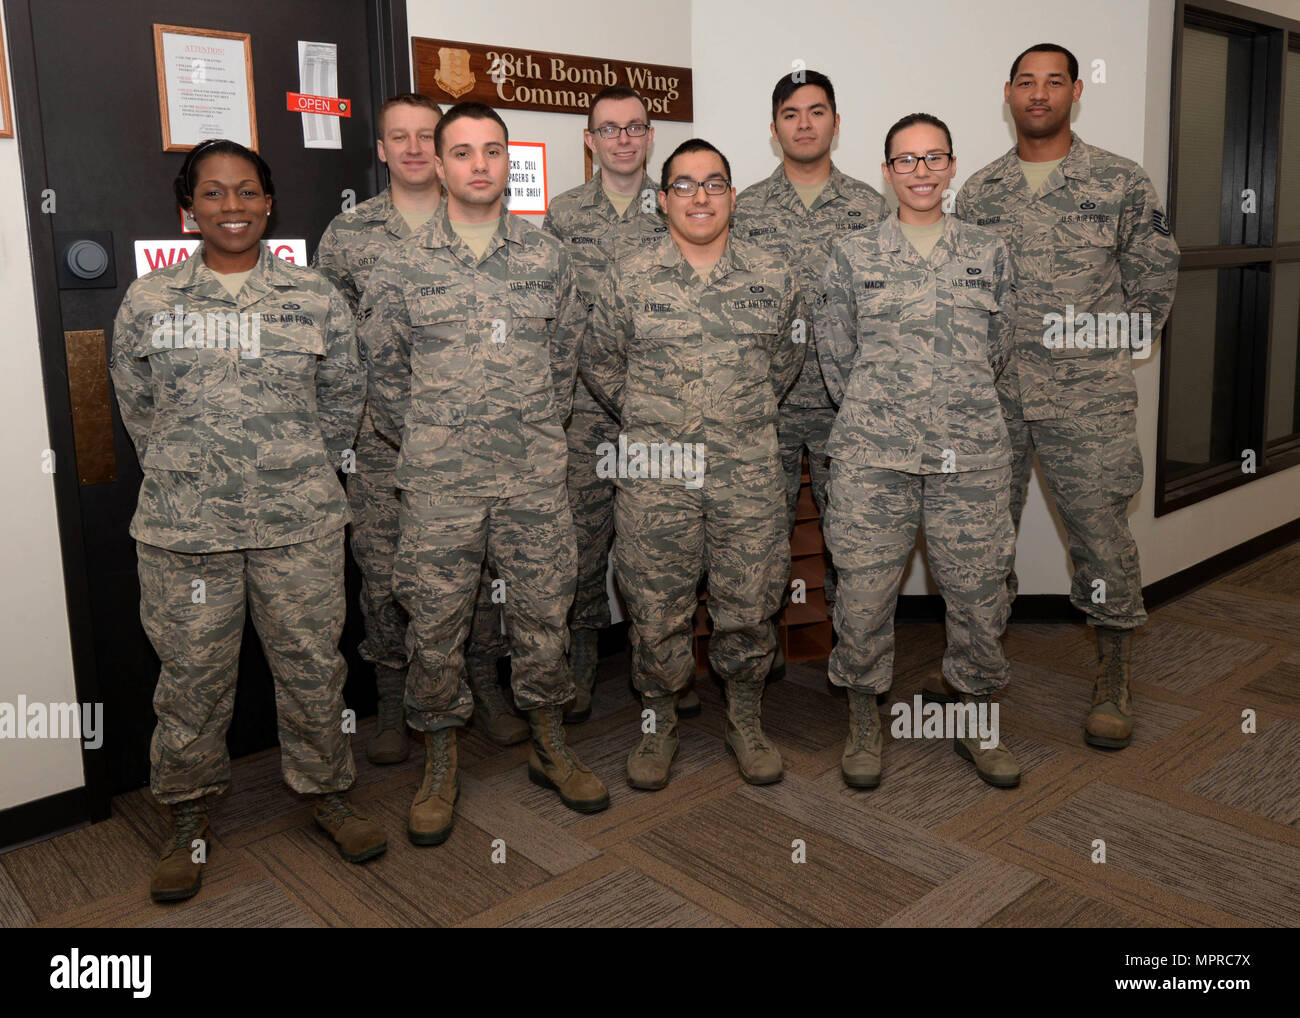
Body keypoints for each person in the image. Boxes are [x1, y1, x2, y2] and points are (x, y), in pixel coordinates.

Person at [110, 139, 383, 903]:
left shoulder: (315, 296)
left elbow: (342, 402)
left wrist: (294, 465)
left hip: (298, 523)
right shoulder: (150, 302)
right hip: (185, 532)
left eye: (247, 192)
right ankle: (187, 817)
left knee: (311, 666)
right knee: (192, 681)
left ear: (269, 203)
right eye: (212, 194)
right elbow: (138, 410)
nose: (231, 206)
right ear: (187, 209)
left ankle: (328, 791)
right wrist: (191, 468)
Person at [360, 102, 605, 846]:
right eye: (461, 152)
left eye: (492, 151)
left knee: (542, 612)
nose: (478, 164)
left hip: (532, 474)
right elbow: (385, 377)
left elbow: (564, 365)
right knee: (434, 624)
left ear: (508, 162)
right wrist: (438, 439)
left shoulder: (547, 257)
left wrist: (524, 430)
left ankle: (549, 743)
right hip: (438, 483)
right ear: (437, 165)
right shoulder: (399, 264)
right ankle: (440, 759)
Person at [952, 44, 1180, 748]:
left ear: (1076, 91)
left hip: (1086, 404)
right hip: (993, 402)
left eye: (1054, 82)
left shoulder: (1118, 182)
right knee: (980, 543)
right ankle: (977, 671)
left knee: (1102, 540)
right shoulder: (980, 192)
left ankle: (1112, 671)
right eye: (1027, 82)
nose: (1040, 94)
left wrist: (1091, 350)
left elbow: (1154, 288)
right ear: (1008, 94)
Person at [583, 139, 805, 790]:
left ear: (733, 196)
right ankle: (657, 720)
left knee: (749, 599)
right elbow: (599, 360)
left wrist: (742, 412)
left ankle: (744, 715)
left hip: (748, 469)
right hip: (656, 472)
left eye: (714, 184)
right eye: (684, 185)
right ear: (662, 200)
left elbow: (785, 364)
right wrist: (651, 417)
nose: (700, 197)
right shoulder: (627, 275)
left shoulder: (773, 275)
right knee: (654, 603)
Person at [817, 113, 1021, 788]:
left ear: (954, 165)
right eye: (906, 160)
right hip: (874, 457)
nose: (921, 172)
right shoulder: (852, 254)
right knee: (865, 597)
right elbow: (836, 357)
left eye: (934, 158)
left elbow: (1002, 351)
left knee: (977, 594)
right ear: (886, 171)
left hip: (970, 456)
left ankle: (973, 718)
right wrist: (887, 413)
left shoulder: (988, 251)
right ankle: (864, 718)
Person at [314, 93, 519, 757]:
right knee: (384, 572)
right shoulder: (348, 235)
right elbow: (338, 345)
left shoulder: (482, 224)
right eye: (396, 137)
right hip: (379, 443)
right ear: (380, 149)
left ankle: (481, 682)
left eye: (425, 136)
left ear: (443, 147)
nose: (411, 148)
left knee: (476, 568)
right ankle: (393, 698)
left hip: (471, 445)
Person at [542, 86, 702, 725]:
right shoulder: (563, 215)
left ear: (650, 136)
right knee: (581, 542)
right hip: (585, 412)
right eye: (609, 129)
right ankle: (582, 660)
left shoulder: (676, 206)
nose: (623, 139)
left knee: (659, 548)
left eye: (635, 128)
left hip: (661, 411)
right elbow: (553, 318)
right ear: (590, 140)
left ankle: (664, 669)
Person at [733, 70, 887, 671]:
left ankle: (856, 670)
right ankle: (756, 668)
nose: (805, 123)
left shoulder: (871, 207)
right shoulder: (743, 208)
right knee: (757, 545)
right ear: (774, 130)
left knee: (852, 543)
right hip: (763, 409)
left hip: (846, 408)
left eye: (817, 111)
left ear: (836, 123)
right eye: (792, 114)